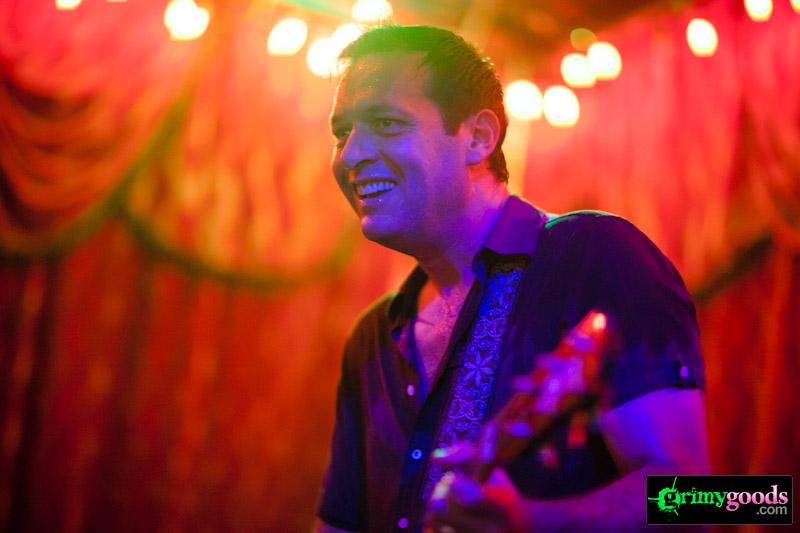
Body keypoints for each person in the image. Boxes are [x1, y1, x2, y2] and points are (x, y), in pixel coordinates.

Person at [316, 25, 709, 533]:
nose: (350, 155)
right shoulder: (373, 335)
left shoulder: (593, 256)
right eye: (341, 133)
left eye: (386, 123)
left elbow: (712, 500)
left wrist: (534, 520)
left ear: (478, 137)